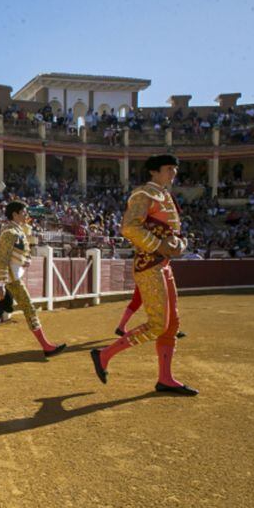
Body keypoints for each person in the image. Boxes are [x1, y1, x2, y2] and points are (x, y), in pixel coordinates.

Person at [90, 154, 198, 395]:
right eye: (169, 169)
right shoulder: (144, 194)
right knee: (158, 324)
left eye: (175, 169)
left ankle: (165, 378)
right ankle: (104, 354)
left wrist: (180, 244)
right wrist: (159, 246)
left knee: (172, 324)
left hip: (163, 264)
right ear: (154, 171)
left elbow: (170, 233)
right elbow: (129, 227)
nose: (174, 173)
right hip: (149, 264)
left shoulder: (164, 195)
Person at [0, 201, 66, 359]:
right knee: (29, 308)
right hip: (11, 279)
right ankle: (46, 346)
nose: (26, 215)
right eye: (24, 212)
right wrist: (0, 284)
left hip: (10, 277)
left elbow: (15, 254)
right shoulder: (10, 232)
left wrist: (25, 259)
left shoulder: (16, 231)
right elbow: (1, 259)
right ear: (15, 214)